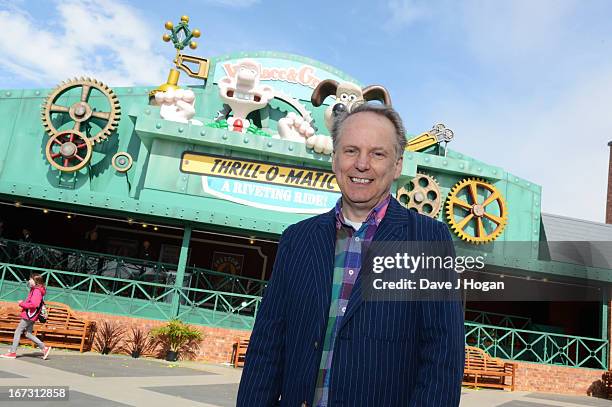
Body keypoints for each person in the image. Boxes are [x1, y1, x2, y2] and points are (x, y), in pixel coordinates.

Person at [237, 104, 464, 406]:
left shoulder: (428, 239)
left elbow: (442, 359)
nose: (361, 164)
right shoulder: (297, 239)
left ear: (397, 165)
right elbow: (267, 347)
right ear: (334, 159)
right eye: (350, 150)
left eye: (377, 154)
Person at [0, 273, 51, 359]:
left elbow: (34, 304)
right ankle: (44, 348)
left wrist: (22, 304)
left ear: (36, 281)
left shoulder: (37, 291)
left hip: (29, 315)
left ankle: (12, 353)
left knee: (17, 331)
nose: (29, 281)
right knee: (28, 334)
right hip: (31, 315)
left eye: (30, 279)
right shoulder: (35, 290)